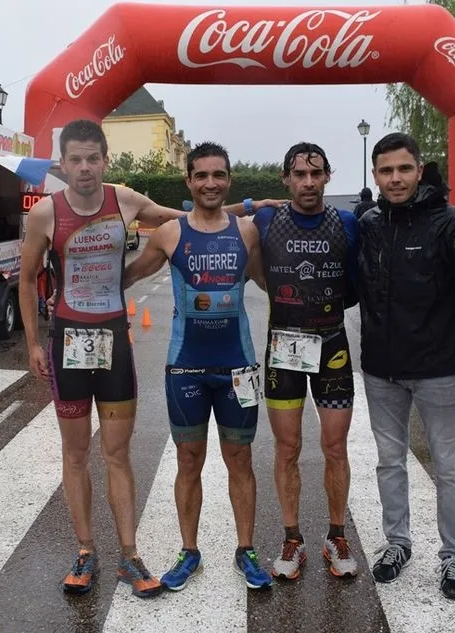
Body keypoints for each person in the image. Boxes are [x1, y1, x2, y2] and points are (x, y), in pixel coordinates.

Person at [18, 119, 278, 598]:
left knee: (124, 455)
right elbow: (29, 276)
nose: (84, 167)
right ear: (63, 163)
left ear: (104, 160)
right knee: (78, 454)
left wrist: (252, 208)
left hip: (136, 346)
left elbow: (191, 219)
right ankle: (88, 551)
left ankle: (135, 555)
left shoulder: (130, 201)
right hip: (74, 341)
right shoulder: (46, 214)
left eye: (92, 158)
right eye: (75, 159)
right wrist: (35, 341)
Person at [358, 132, 455, 600]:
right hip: (380, 370)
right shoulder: (369, 224)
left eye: (404, 169)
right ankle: (397, 543)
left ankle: (453, 557)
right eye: (386, 170)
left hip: (437, 371)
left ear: (420, 171)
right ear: (375, 176)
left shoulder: (450, 223)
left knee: (448, 468)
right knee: (390, 462)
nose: (395, 178)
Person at [122, 142, 273, 591]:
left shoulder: (247, 232)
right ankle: (190, 552)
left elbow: (268, 282)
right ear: (188, 181)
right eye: (201, 175)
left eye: (218, 175)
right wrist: (79, 281)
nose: (210, 183)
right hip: (185, 367)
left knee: (240, 459)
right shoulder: (170, 233)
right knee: (188, 460)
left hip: (238, 367)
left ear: (229, 180)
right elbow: (131, 275)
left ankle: (246, 550)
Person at [247, 142, 362, 581]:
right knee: (288, 447)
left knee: (335, 446)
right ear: (286, 179)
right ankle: (292, 539)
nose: (308, 182)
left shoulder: (347, 222)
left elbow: (358, 281)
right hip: (285, 347)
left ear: (328, 175)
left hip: (332, 344)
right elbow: (246, 259)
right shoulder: (266, 220)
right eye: (299, 174)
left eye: (316, 174)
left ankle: (337, 536)